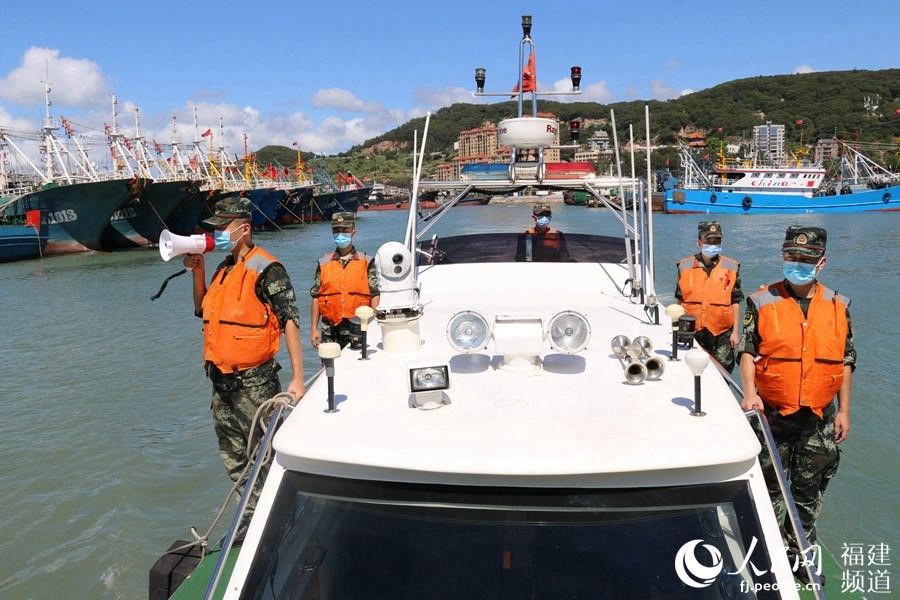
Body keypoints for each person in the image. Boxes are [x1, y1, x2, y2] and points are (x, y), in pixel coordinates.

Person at [183, 196, 305, 526]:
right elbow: (202, 310)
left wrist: (297, 379)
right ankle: (253, 518)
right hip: (220, 382)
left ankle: (281, 518)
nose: (218, 233)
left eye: (224, 227)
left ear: (244, 229)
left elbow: (289, 319)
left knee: (265, 455)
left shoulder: (268, 268)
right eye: (216, 228)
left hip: (255, 382)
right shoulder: (224, 268)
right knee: (233, 455)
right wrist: (199, 272)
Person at [738, 225, 855, 567]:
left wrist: (845, 411)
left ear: (822, 262)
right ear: (783, 256)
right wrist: (749, 393)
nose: (798, 263)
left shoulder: (839, 305)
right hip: (772, 414)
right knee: (770, 490)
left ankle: (801, 557)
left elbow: (846, 361)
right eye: (792, 256)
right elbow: (747, 350)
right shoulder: (761, 301)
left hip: (820, 419)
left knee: (808, 496)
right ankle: (767, 557)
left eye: (807, 258)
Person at [675, 221, 743, 371]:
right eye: (708, 240)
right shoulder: (684, 266)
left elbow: (735, 301)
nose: (712, 243)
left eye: (716, 240)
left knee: (722, 375)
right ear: (699, 242)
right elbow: (679, 301)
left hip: (722, 334)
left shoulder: (732, 267)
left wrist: (736, 333)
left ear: (722, 241)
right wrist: (676, 329)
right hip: (692, 331)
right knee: (688, 371)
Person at [310, 212, 380, 349]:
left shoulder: (366, 261)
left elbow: (375, 294)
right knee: (330, 368)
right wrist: (313, 329)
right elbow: (316, 297)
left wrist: (374, 324)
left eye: (344, 230)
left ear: (353, 232)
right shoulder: (323, 263)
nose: (340, 234)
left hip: (359, 329)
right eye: (336, 230)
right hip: (330, 331)